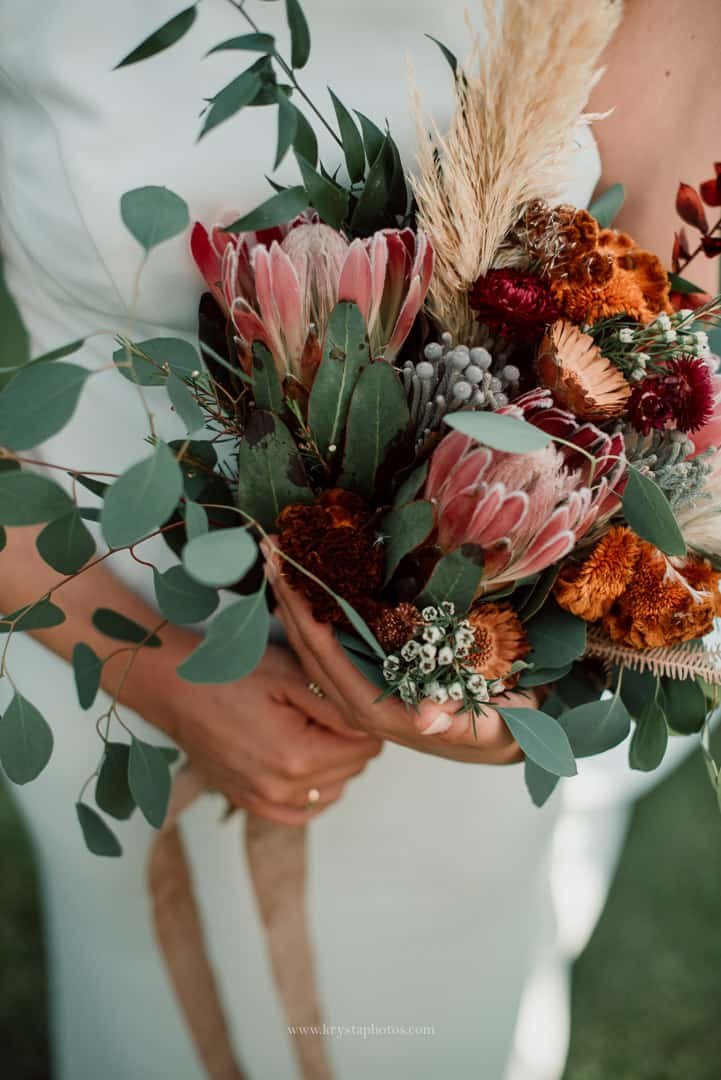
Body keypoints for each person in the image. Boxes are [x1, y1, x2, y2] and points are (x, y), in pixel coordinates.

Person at [0, 2, 718, 1078]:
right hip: (92, 609)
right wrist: (162, 678)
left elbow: (661, 380)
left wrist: (494, 703)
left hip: (448, 702)